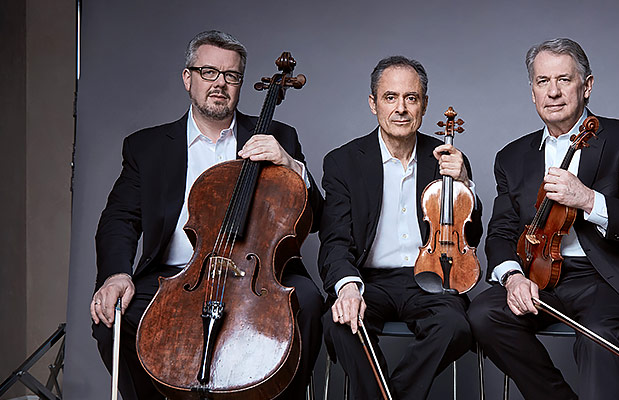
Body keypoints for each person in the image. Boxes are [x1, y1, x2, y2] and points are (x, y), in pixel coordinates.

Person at [89, 30, 324, 400]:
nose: (220, 84)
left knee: (308, 303)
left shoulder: (279, 135)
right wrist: (116, 274)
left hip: (256, 274)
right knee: (112, 320)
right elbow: (119, 218)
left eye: (231, 76)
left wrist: (290, 164)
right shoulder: (147, 146)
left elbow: (317, 217)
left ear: (241, 84)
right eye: (208, 72)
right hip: (177, 276)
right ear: (188, 78)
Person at [467, 38, 619, 400]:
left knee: (599, 339)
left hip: (607, 278)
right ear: (532, 91)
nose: (553, 92)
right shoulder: (512, 156)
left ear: (586, 87)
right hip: (540, 277)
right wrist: (511, 278)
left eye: (564, 80)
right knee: (483, 314)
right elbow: (501, 232)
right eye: (543, 82)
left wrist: (587, 199)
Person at [318, 55, 482, 400]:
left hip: (429, 278)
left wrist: (465, 183)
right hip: (368, 280)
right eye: (390, 97)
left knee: (455, 327)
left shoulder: (446, 161)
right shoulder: (343, 162)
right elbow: (334, 241)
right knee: (339, 325)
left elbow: (471, 237)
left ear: (424, 105)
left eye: (411, 98)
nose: (401, 108)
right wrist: (347, 288)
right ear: (373, 103)